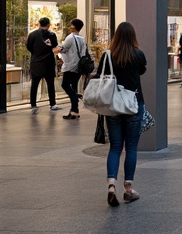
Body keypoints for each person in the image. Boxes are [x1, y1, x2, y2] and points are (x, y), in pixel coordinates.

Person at [93, 21, 147, 206]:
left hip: (113, 106)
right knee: (131, 147)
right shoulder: (138, 54)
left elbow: (100, 75)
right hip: (133, 105)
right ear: (132, 36)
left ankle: (111, 186)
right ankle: (128, 189)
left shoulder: (108, 55)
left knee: (115, 147)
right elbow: (142, 71)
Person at [26, 16, 61, 111]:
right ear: (49, 25)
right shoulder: (52, 35)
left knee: (34, 84)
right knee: (50, 84)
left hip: (36, 62)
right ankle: (52, 104)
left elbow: (28, 47)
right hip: (48, 62)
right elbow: (54, 45)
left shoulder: (32, 35)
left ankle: (33, 104)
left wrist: (36, 53)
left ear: (39, 23)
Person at [58, 18, 88, 119]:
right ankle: (74, 111)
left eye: (71, 25)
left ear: (73, 27)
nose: (69, 26)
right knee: (73, 86)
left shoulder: (70, 37)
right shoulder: (81, 38)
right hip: (79, 66)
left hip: (70, 66)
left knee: (65, 85)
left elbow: (63, 49)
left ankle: (75, 98)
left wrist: (55, 47)